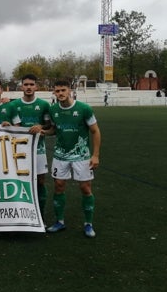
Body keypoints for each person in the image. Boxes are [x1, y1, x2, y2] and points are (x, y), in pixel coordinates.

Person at [42, 80, 101, 238]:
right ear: (54, 93)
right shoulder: (53, 110)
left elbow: (95, 131)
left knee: (85, 188)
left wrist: (95, 155)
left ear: (70, 91)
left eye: (63, 90)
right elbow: (54, 130)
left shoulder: (84, 109)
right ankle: (59, 221)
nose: (60, 93)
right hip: (60, 155)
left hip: (81, 156)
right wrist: (42, 131)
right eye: (57, 91)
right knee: (59, 186)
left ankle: (88, 224)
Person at [12, 74, 51, 218]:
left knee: (40, 181)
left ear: (36, 86)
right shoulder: (14, 105)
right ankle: (22, 214)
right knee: (20, 181)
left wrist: (41, 126)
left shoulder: (44, 105)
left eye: (31, 84)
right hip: (19, 150)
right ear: (22, 86)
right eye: (26, 84)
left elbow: (48, 124)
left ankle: (40, 216)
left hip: (38, 149)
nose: (28, 87)